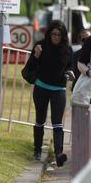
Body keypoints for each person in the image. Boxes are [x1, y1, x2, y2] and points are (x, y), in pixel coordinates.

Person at [30, 20, 73, 165]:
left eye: (59, 35)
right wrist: (36, 55)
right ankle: (37, 149)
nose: (55, 37)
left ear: (63, 36)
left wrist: (70, 74)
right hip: (41, 87)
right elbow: (30, 67)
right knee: (40, 120)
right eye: (53, 34)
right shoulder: (41, 46)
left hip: (59, 89)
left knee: (57, 123)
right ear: (49, 34)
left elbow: (70, 68)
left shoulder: (67, 50)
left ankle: (59, 154)